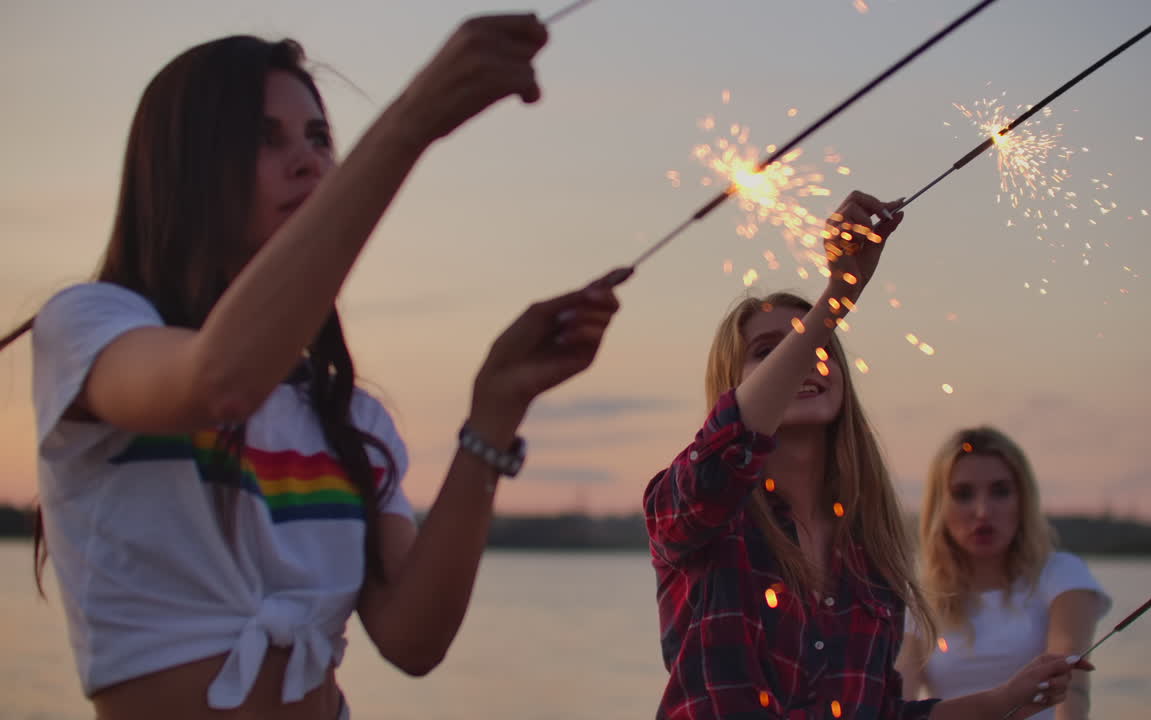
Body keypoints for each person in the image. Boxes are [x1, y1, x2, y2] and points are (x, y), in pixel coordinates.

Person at [0, 15, 625, 719]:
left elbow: (414, 640)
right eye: (262, 141)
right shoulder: (90, 329)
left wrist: (497, 408)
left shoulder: (352, 420)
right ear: (180, 171)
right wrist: (412, 122)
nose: (307, 162)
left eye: (320, 138)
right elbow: (220, 382)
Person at [642, 191, 1090, 719]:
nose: (808, 357)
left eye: (819, 346)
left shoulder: (868, 552)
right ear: (733, 385)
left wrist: (1001, 700)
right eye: (771, 350)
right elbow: (727, 444)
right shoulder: (697, 511)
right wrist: (835, 297)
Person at [898, 427, 1112, 719]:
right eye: (963, 494)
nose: (983, 511)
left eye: (1000, 491)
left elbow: (1072, 679)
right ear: (939, 506)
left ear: (1022, 500)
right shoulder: (919, 598)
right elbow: (899, 699)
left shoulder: (1060, 574)